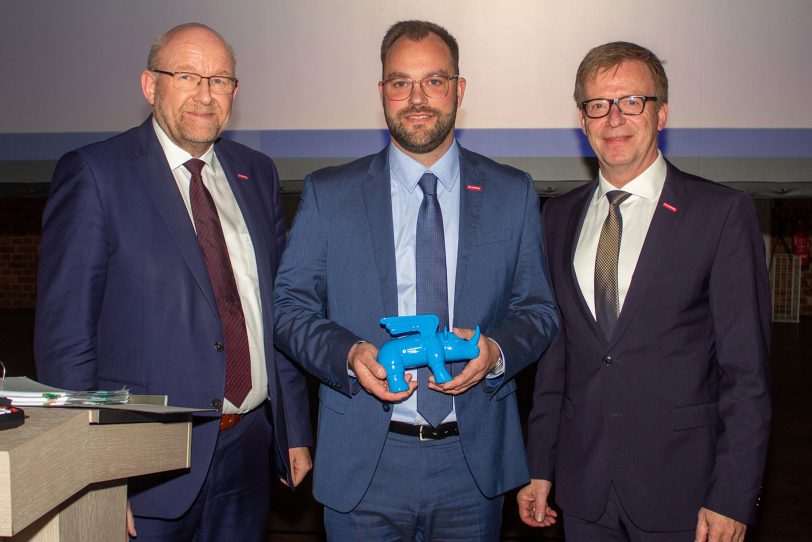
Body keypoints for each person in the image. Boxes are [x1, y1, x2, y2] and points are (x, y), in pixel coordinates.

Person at [273, 19, 558, 541]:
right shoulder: (327, 194)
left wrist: (495, 351)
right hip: (365, 462)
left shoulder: (511, 193)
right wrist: (348, 354)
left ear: (459, 89)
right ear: (382, 92)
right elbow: (289, 309)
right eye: (401, 82)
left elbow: (539, 311)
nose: (417, 98)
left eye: (434, 81)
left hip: (471, 467)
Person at [34, 22, 312, 541]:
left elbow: (272, 314)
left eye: (220, 80)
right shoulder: (95, 173)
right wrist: (96, 476)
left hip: (248, 451)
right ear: (149, 85)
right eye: (187, 76)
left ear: (234, 92)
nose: (205, 95)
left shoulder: (259, 174)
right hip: (143, 468)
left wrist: (293, 430)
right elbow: (65, 344)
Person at [517, 41, 771, 542]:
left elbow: (747, 374)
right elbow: (556, 360)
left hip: (685, 491)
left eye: (631, 101)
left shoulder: (719, 213)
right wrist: (540, 465)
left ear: (662, 112)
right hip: (583, 487)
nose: (614, 118)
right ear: (583, 120)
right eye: (598, 105)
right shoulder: (557, 216)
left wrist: (733, 494)